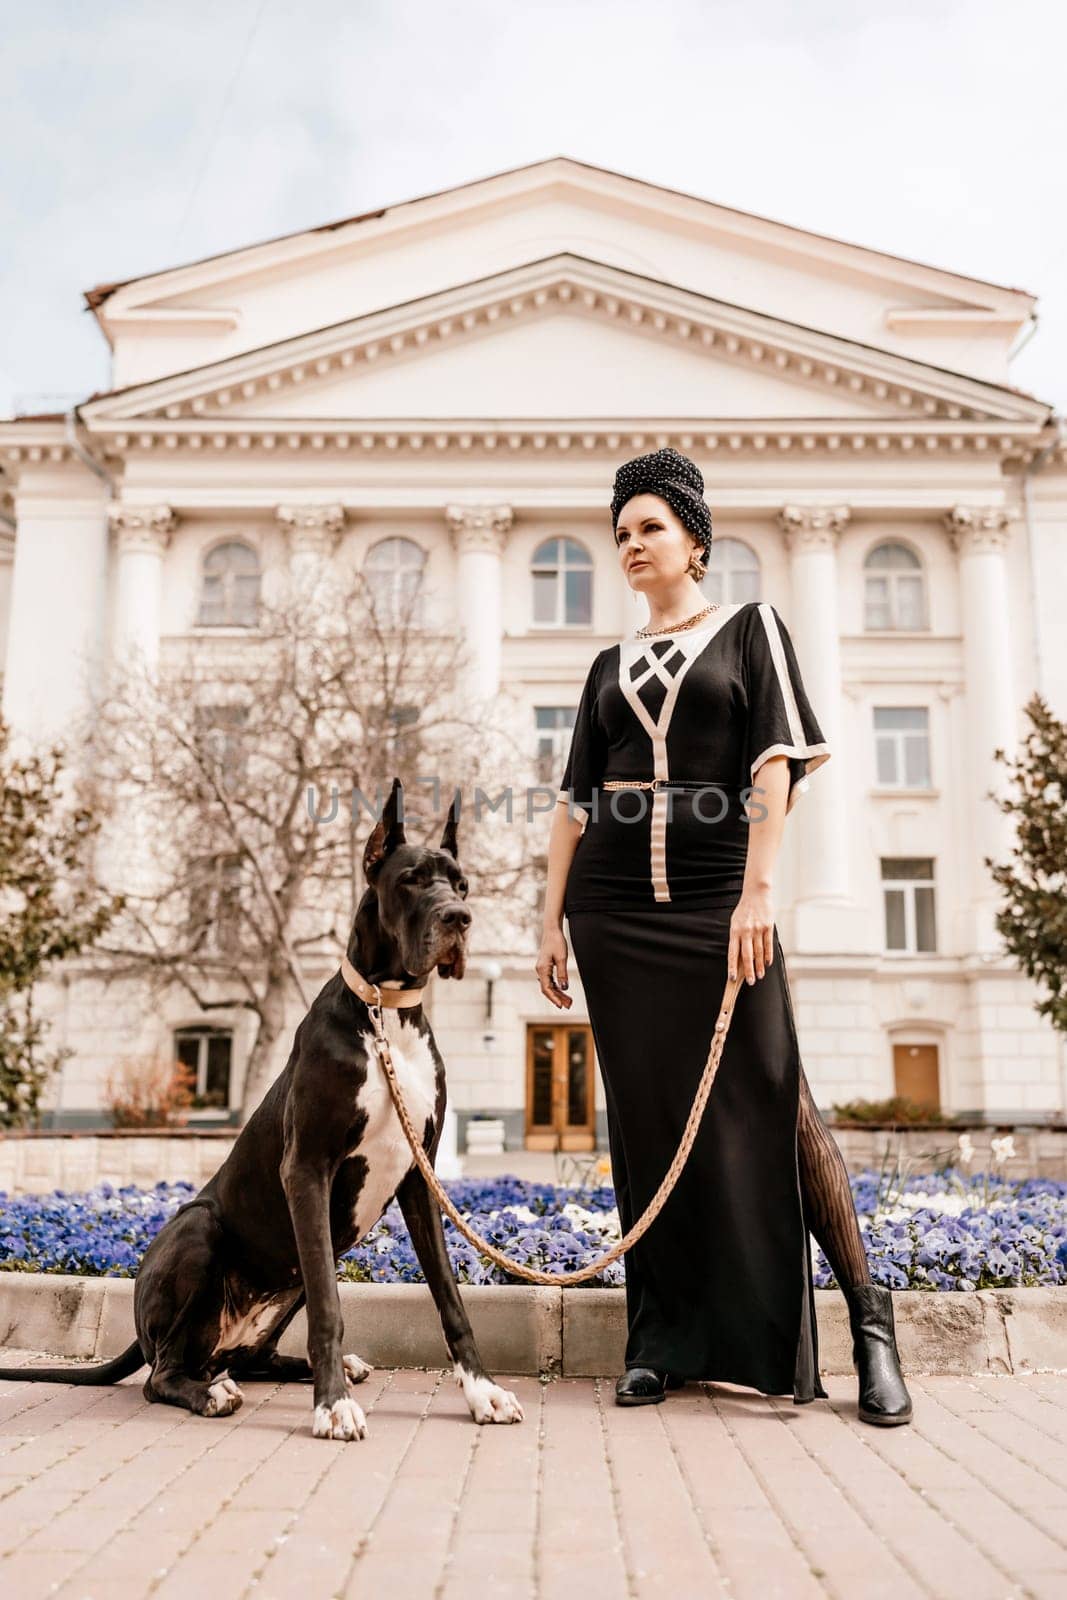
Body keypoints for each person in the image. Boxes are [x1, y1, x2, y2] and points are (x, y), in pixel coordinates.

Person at [535, 447, 912, 1426]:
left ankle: (869, 1322)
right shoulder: (602, 666)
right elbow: (573, 804)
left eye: (649, 527)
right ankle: (656, 1338)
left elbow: (775, 764)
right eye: (618, 532)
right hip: (613, 913)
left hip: (717, 900)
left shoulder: (751, 631)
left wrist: (757, 893)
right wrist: (547, 926)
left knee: (774, 1099)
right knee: (647, 1120)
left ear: (694, 540)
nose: (630, 544)